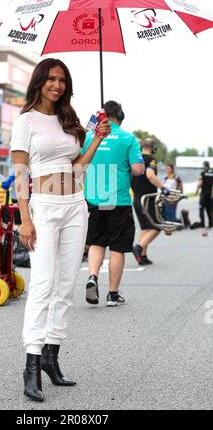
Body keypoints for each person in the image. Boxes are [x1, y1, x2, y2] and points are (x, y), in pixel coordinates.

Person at [10, 58, 111, 402]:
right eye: (51, 79)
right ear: (39, 81)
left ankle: (52, 358)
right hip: (45, 210)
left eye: (62, 80)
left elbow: (77, 167)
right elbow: (21, 172)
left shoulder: (68, 120)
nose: (57, 85)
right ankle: (32, 366)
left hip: (75, 207)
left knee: (65, 285)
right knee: (42, 284)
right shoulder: (25, 122)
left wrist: (95, 140)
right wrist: (25, 218)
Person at [83, 101, 144, 307]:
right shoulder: (128, 138)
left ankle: (92, 276)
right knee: (117, 246)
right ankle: (112, 294)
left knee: (97, 241)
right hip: (118, 199)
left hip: (93, 198)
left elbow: (80, 157)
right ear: (120, 116)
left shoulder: (89, 136)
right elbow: (137, 169)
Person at [132, 138, 169, 265]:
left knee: (145, 227)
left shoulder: (135, 159)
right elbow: (150, 175)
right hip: (147, 198)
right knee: (157, 226)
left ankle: (142, 256)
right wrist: (163, 188)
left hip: (136, 198)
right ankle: (138, 247)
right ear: (154, 149)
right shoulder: (150, 160)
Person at [195, 161, 213, 228]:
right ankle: (211, 223)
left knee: (201, 209)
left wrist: (196, 191)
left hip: (203, 194)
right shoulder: (212, 173)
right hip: (210, 194)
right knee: (209, 209)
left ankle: (202, 224)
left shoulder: (203, 173)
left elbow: (200, 183)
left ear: (205, 166)